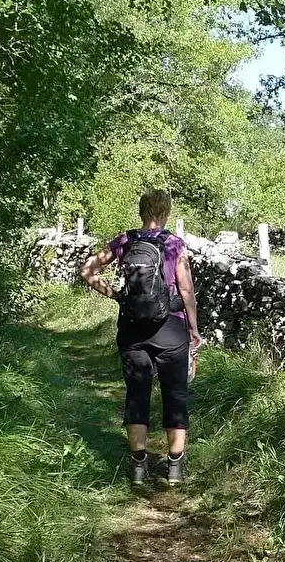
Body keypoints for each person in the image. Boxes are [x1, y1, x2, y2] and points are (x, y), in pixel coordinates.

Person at [79, 189, 203, 487]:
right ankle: (175, 468)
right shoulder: (174, 244)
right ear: (166, 213)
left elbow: (87, 270)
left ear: (142, 211)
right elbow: (186, 290)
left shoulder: (125, 241)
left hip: (132, 327)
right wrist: (194, 329)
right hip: (171, 327)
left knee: (137, 393)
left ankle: (137, 467)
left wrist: (117, 296)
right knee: (175, 393)